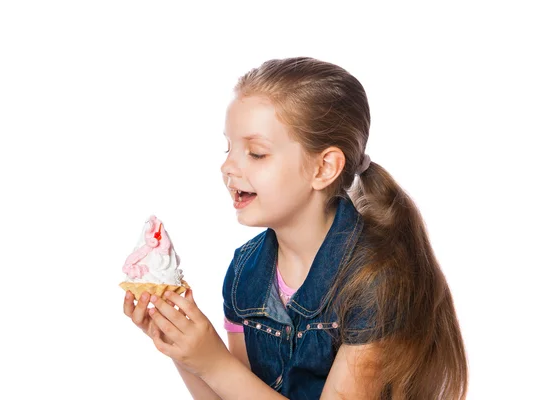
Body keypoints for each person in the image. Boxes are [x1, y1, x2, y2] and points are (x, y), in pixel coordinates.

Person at [123, 56, 468, 399]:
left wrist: (213, 362)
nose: (227, 166)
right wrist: (183, 351)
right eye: (228, 147)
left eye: (256, 153)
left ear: (323, 168)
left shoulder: (375, 281)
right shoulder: (246, 274)